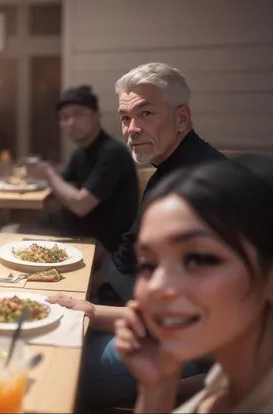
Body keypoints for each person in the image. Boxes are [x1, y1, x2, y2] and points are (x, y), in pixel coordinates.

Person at [46, 63, 226, 408]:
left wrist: (92, 312)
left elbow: (196, 315)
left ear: (182, 119)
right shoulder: (170, 167)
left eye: (145, 113)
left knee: (54, 364)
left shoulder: (199, 186)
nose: (132, 128)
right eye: (125, 118)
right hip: (135, 311)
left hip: (176, 347)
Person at [115, 155, 273, 412]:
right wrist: (158, 387)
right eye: (148, 265)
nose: (155, 288)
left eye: (199, 259)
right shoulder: (235, 383)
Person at [26, 85, 139, 253]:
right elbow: (63, 182)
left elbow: (80, 204)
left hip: (103, 245)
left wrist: (48, 173)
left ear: (96, 116)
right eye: (64, 117)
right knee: (20, 228)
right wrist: (47, 171)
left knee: (12, 235)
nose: (70, 122)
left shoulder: (112, 153)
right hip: (75, 231)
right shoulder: (81, 152)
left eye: (78, 114)